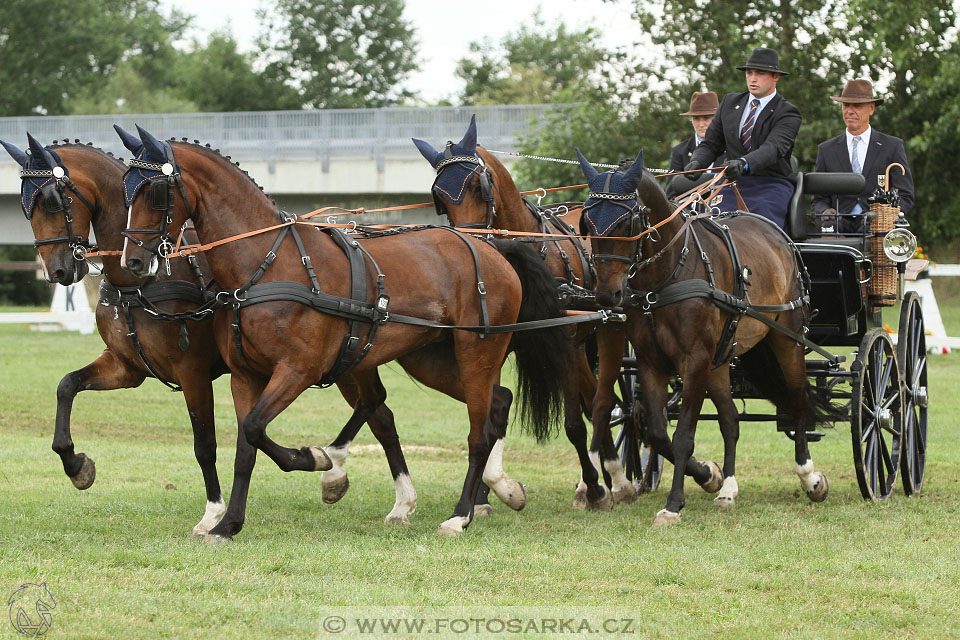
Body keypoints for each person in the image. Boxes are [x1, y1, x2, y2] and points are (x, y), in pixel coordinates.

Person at [684, 47, 801, 228]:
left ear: (775, 77)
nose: (752, 78)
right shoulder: (730, 103)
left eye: (760, 73)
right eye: (749, 73)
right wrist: (697, 162)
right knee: (709, 224)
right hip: (733, 184)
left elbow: (773, 148)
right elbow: (712, 144)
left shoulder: (787, 112)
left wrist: (744, 162)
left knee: (758, 227)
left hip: (770, 185)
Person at [810, 78, 915, 234]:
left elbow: (905, 195)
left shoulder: (892, 147)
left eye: (857, 105)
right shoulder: (826, 150)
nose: (850, 111)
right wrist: (825, 212)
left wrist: (885, 216)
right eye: (846, 105)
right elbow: (818, 199)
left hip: (877, 227)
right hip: (837, 227)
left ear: (871, 109)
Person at [666, 91, 723, 199]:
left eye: (706, 118)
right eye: (696, 119)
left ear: (717, 118)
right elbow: (671, 193)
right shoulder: (679, 151)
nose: (701, 124)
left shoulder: (730, 147)